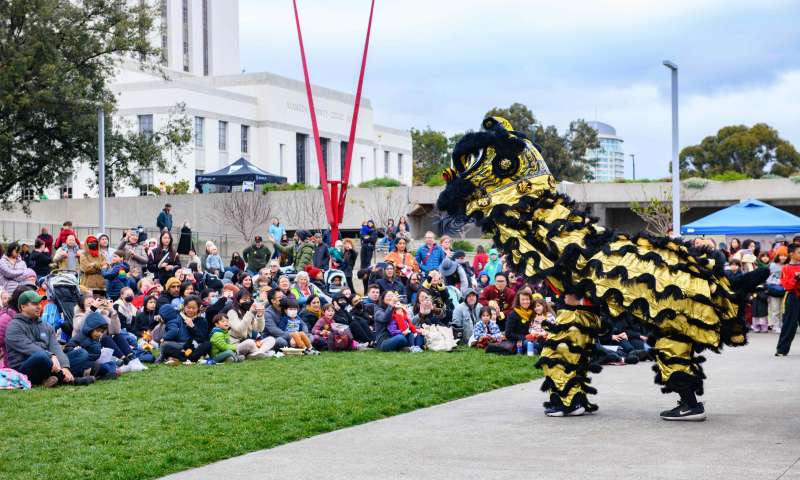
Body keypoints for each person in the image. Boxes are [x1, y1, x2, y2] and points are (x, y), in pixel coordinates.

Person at [5, 290, 94, 386]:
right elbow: (29, 347)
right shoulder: (14, 326)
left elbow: (55, 348)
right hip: (25, 367)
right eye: (34, 304)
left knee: (81, 353)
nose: (39, 306)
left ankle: (53, 378)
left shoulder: (46, 326)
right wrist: (50, 355)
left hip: (49, 362)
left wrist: (65, 366)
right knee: (40, 356)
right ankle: (72, 380)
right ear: (23, 307)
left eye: (40, 303)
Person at [158, 299, 211, 365]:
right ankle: (189, 358)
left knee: (207, 344)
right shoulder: (178, 317)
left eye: (194, 308)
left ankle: (187, 358)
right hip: (181, 346)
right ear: (184, 307)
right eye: (188, 308)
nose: (191, 310)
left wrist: (192, 327)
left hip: (195, 346)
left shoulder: (202, 320)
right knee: (165, 345)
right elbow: (172, 332)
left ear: (198, 308)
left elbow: (202, 338)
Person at [776, 243, 800, 356]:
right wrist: (796, 278)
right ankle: (781, 350)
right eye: (799, 252)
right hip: (792, 297)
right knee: (789, 324)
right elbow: (787, 286)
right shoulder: (786, 268)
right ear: (791, 254)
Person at [505, 290, 535, 354]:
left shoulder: (533, 312)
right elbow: (508, 334)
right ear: (518, 301)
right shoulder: (513, 314)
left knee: (535, 349)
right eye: (523, 299)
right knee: (531, 345)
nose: (525, 302)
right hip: (519, 342)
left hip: (534, 339)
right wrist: (524, 337)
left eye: (527, 299)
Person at [767, 246, 788, 333]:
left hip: (786, 290)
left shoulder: (788, 265)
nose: (782, 257)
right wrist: (779, 281)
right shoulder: (772, 265)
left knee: (784, 309)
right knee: (775, 309)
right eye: (781, 255)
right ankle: (776, 325)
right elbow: (768, 278)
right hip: (774, 289)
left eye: (785, 255)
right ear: (777, 256)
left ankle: (782, 324)